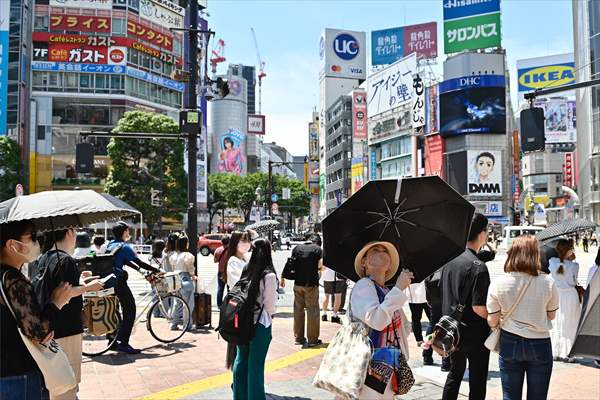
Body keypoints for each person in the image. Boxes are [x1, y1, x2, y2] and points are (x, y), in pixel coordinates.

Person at [0, 221, 77, 400]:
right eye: (32, 237)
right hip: (17, 373)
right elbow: (41, 332)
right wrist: (56, 302)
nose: (38, 242)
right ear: (13, 245)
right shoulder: (12, 280)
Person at [34, 228, 104, 400]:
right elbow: (66, 292)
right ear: (70, 233)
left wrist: (80, 280)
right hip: (67, 329)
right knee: (68, 383)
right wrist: (88, 287)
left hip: (50, 326)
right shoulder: (66, 260)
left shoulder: (45, 257)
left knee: (55, 382)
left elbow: (57, 287)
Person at [487, 235, 559, 400]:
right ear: (536, 254)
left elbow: (492, 320)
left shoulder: (499, 283)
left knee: (510, 396)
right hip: (540, 342)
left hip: (509, 341)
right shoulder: (548, 282)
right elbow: (552, 315)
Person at [350, 241, 413, 399]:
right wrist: (398, 289)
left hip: (390, 365)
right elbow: (377, 321)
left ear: (390, 264)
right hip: (369, 367)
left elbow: (404, 327)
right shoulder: (363, 286)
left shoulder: (386, 291)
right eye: (375, 250)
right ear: (365, 262)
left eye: (385, 250)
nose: (382, 252)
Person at [441, 213, 491, 400]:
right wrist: (495, 319)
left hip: (452, 330)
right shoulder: (478, 266)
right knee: (477, 380)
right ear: (481, 234)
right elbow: (479, 307)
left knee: (455, 373)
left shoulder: (450, 260)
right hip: (474, 333)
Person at [232, 238, 278, 400]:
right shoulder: (269, 275)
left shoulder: (246, 268)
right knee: (256, 366)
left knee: (241, 360)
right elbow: (270, 306)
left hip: (242, 322)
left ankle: (239, 396)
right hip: (260, 324)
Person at [106, 221, 160, 354]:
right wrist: (156, 270)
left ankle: (112, 341)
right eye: (128, 231)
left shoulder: (110, 245)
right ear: (124, 232)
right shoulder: (125, 247)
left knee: (114, 311)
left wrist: (140, 271)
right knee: (130, 309)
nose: (129, 233)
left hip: (108, 282)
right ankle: (123, 343)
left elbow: (125, 261)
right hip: (119, 283)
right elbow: (139, 262)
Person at [281, 235, 323, 347]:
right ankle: (312, 340)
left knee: (298, 311)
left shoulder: (297, 248)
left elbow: (291, 263)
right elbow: (321, 266)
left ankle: (299, 338)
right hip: (311, 285)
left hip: (297, 284)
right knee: (312, 311)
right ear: (318, 242)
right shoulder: (318, 250)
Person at [548, 239, 581, 362]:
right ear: (569, 250)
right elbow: (573, 281)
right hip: (570, 295)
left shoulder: (552, 262)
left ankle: (555, 351)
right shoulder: (574, 265)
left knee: (556, 322)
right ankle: (568, 352)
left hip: (557, 295)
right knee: (571, 323)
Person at [424, 268, 450, 371]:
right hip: (445, 299)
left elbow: (427, 281)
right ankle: (446, 362)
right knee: (446, 328)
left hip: (434, 299)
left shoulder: (433, 262)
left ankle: (426, 355)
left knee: (432, 325)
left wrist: (429, 299)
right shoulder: (449, 261)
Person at [169, 234, 196, 331]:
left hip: (176, 280)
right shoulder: (188, 256)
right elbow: (190, 269)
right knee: (188, 304)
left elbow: (173, 268)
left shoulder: (174, 256)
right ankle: (187, 325)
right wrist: (193, 276)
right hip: (185, 279)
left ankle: (173, 324)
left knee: (177, 303)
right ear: (186, 244)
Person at [405, 281, 433, 365]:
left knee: (416, 318)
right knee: (432, 321)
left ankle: (419, 340)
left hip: (415, 294)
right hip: (424, 294)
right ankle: (422, 342)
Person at [213, 236, 230, 308]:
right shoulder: (232, 251)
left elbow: (215, 261)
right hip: (229, 273)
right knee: (230, 289)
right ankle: (229, 304)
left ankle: (219, 305)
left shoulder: (218, 250)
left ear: (221, 242)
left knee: (220, 288)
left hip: (221, 272)